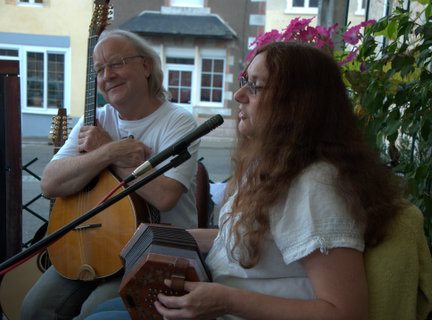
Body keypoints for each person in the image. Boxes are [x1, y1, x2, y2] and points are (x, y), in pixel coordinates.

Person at [86, 41, 407, 320]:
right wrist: (165, 237)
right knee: (100, 312)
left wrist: (224, 299)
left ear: (296, 103)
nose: (239, 94)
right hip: (219, 306)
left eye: (254, 86)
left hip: (228, 312)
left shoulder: (315, 185)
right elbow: (246, 240)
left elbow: (347, 313)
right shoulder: (276, 165)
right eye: (244, 81)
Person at [21, 29, 200, 320]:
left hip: (152, 250)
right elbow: (49, 183)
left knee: (95, 311)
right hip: (89, 243)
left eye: (116, 63)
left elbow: (165, 195)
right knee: (33, 308)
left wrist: (103, 149)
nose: (107, 75)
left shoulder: (178, 121)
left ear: (145, 66)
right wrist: (110, 152)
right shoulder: (96, 120)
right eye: (100, 69)